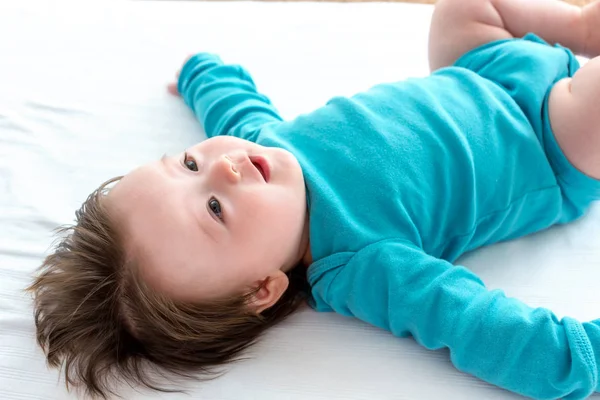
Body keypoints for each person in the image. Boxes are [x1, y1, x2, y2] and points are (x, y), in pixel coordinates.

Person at [28, 0, 600, 398]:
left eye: (187, 163)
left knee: (459, 9)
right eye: (214, 209)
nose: (222, 168)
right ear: (263, 288)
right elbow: (486, 329)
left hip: (476, 65)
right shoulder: (362, 265)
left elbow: (232, 105)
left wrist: (202, 72)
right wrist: (577, 357)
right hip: (552, 139)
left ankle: (581, 26)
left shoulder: (261, 149)